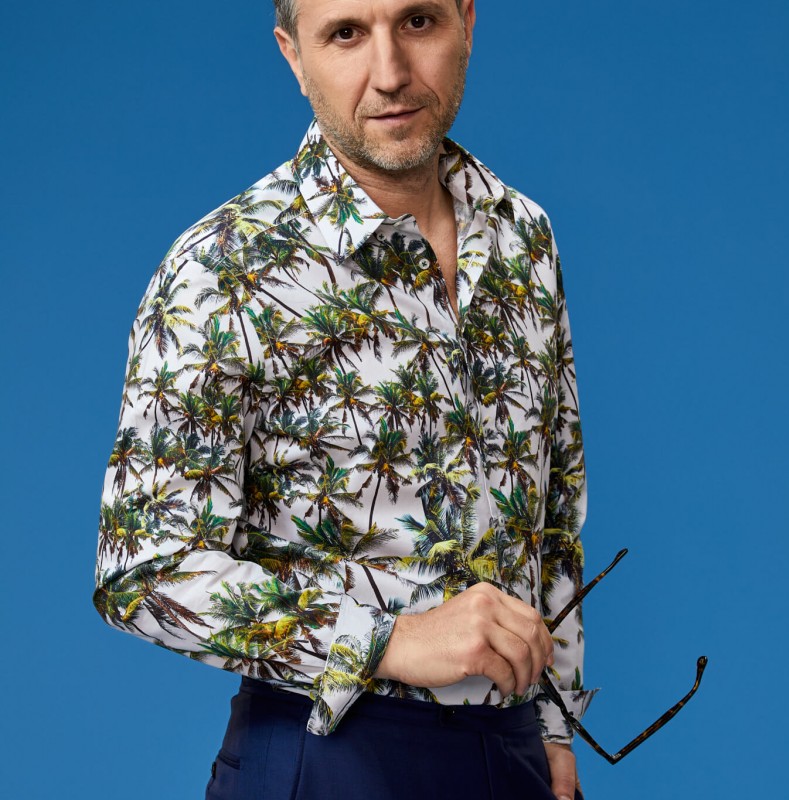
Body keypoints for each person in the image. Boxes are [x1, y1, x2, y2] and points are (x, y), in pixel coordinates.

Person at [94, 1, 596, 797]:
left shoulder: (523, 237)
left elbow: (554, 511)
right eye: (346, 34)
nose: (390, 73)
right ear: (294, 55)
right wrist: (387, 639)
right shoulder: (225, 269)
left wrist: (554, 724)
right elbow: (143, 569)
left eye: (418, 22)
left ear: (467, 21)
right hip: (326, 756)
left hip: (512, 752)